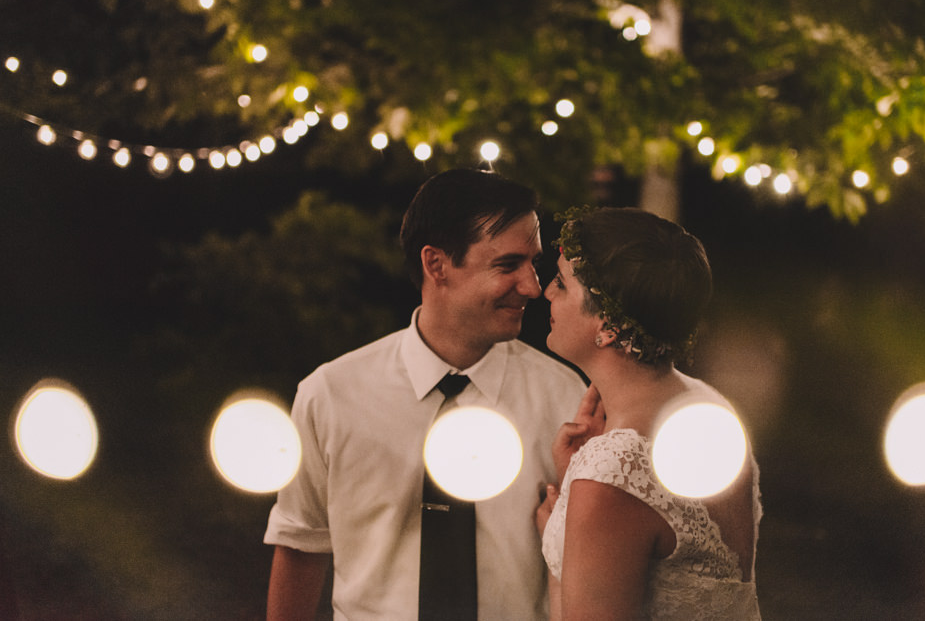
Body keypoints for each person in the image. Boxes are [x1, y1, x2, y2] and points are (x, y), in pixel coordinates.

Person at [263, 168, 586, 620]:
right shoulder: (331, 395)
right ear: (436, 264)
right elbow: (300, 544)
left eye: (533, 263)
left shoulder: (563, 396)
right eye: (508, 265)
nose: (533, 285)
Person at [535, 207, 762, 620]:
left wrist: (559, 541)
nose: (545, 293)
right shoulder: (710, 408)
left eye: (560, 284)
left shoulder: (610, 476)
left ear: (608, 326)